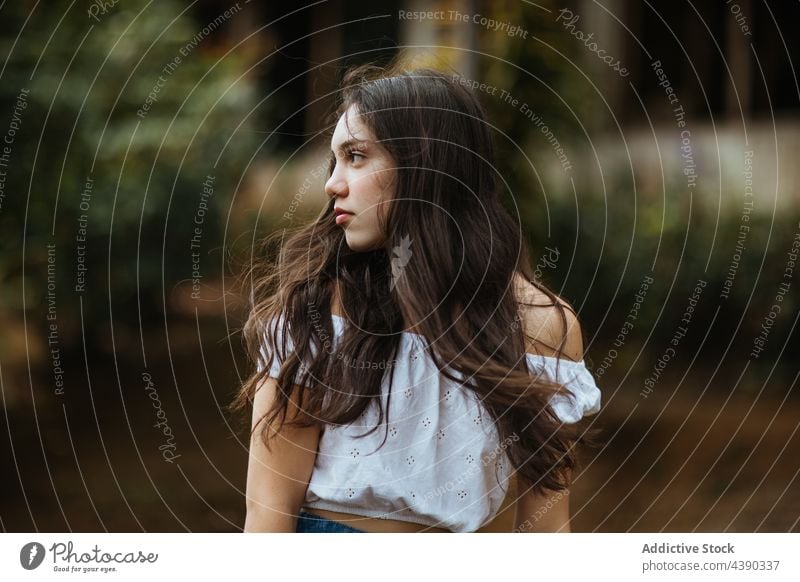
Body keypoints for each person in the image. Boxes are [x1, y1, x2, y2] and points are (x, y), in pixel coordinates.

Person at [233, 62, 601, 533]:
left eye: (357, 156)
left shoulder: (542, 326)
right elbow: (267, 513)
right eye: (336, 160)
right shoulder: (319, 308)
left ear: (425, 164)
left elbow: (546, 529)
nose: (332, 183)